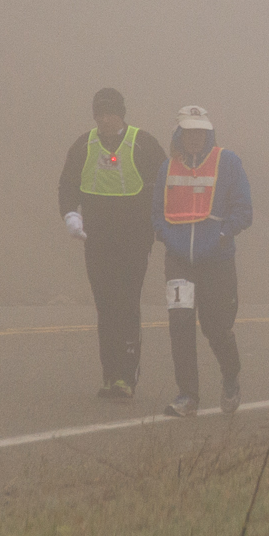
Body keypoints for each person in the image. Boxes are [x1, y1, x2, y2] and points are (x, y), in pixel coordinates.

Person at [57, 87, 165, 400]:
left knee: (126, 304)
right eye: (100, 114)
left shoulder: (143, 143)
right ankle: (109, 375)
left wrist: (159, 226)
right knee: (105, 306)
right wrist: (70, 215)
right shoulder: (83, 145)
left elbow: (165, 184)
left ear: (121, 114)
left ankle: (126, 378)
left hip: (134, 241)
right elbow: (67, 184)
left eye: (110, 113)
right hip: (97, 240)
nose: (105, 119)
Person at [151, 105, 253, 417]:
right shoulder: (167, 168)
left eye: (200, 132)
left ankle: (230, 376)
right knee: (180, 323)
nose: (194, 137)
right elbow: (157, 211)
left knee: (216, 327)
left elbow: (244, 210)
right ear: (179, 134)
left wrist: (223, 234)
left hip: (217, 260)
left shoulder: (228, 162)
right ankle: (187, 396)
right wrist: (169, 238)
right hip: (179, 260)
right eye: (188, 131)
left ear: (208, 133)